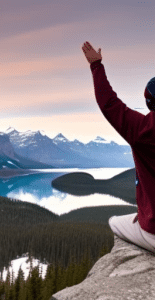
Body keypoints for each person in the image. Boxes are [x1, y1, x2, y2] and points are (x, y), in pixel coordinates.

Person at [82, 41, 155, 253]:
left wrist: (96, 66)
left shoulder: (142, 130)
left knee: (115, 222)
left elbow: (109, 104)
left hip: (153, 230)